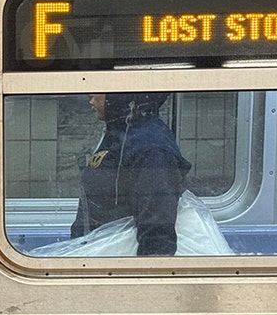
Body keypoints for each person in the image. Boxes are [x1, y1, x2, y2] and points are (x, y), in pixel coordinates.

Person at [69, 92, 191, 256]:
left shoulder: (151, 148)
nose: (91, 95)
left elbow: (157, 237)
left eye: (100, 88)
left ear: (120, 94)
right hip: (98, 255)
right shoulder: (120, 132)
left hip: (118, 264)